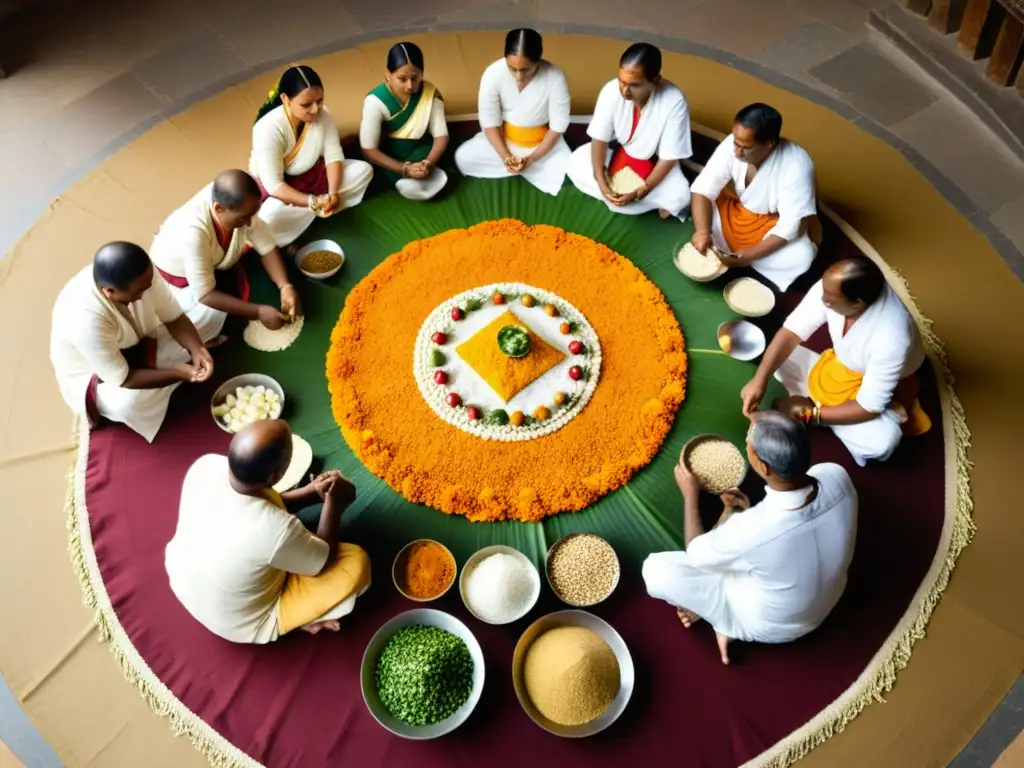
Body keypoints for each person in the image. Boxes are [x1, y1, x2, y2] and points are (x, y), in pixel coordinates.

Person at [643, 412, 858, 665]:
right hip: (830, 596)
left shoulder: (752, 529)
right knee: (758, 558)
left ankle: (729, 625)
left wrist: (690, 495)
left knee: (655, 570)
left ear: (763, 466)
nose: (746, 441)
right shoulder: (836, 475)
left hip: (773, 625)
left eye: (748, 440)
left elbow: (696, 555)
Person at [165, 420, 371, 644]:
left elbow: (262, 501)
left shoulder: (205, 466)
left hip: (183, 579)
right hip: (238, 621)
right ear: (276, 476)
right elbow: (323, 559)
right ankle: (307, 620)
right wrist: (334, 506)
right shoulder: (274, 530)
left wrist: (312, 493)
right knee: (356, 564)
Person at [740, 256, 930, 466]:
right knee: (768, 354)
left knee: (882, 443)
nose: (821, 297)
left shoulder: (891, 337)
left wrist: (808, 415)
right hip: (836, 365)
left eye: (829, 297)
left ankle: (894, 403)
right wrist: (760, 380)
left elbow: (869, 407)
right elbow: (791, 332)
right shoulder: (831, 288)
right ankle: (826, 408)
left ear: (856, 303)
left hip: (864, 387)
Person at [49, 242, 214, 442]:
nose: (148, 293)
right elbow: (124, 378)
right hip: (101, 375)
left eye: (149, 285)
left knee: (210, 313)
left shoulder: (143, 277)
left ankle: (166, 373)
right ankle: (170, 374)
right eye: (139, 292)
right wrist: (179, 373)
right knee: (128, 405)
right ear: (110, 292)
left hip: (141, 341)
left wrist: (197, 350)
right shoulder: (85, 320)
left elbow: (173, 316)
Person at [149, 170, 301, 342]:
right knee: (207, 316)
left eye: (254, 213)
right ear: (218, 209)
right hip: (176, 277)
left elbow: (266, 245)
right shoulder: (194, 233)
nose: (251, 221)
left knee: (273, 226)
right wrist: (257, 312)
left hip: (208, 259)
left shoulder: (238, 204)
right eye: (244, 218)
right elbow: (205, 294)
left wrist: (285, 286)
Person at [690, 103, 817, 291]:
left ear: (769, 143)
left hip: (770, 225)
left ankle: (742, 257)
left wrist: (748, 256)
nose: (737, 152)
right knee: (700, 205)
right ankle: (725, 247)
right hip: (736, 213)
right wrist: (703, 231)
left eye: (745, 148)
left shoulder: (797, 165)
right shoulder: (733, 145)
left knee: (801, 256)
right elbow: (704, 187)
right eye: (735, 143)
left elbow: (791, 225)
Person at [250, 65, 373, 248]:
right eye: (306, 104)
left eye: (320, 101)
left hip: (313, 177)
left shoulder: (323, 115)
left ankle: (315, 214)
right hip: (281, 191)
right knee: (270, 217)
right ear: (285, 99)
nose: (315, 109)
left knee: (363, 171)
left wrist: (333, 193)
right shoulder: (268, 128)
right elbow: (275, 186)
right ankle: (312, 215)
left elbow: (333, 156)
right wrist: (312, 202)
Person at [567, 43, 692, 219]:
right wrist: (602, 182)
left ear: (655, 80)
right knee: (576, 160)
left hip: (654, 168)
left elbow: (668, 158)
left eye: (634, 85)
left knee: (680, 196)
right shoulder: (611, 90)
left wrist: (641, 190)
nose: (625, 90)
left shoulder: (674, 101)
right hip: (619, 160)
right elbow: (599, 139)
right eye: (622, 81)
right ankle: (636, 203)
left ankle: (643, 202)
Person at [454, 28, 572, 196]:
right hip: (504, 142)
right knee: (462, 157)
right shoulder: (493, 73)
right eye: (512, 69)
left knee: (570, 170)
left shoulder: (555, 77)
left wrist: (532, 159)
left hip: (543, 147)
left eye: (525, 70)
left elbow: (558, 126)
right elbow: (489, 121)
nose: (518, 76)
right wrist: (506, 157)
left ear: (538, 61)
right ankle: (515, 169)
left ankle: (527, 169)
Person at [360, 42, 450, 201]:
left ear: (422, 73)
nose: (410, 86)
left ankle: (425, 178)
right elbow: (369, 150)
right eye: (402, 79)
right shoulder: (375, 101)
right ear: (387, 75)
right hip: (391, 160)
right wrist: (404, 168)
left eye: (415, 78)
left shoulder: (429, 94)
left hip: (423, 153)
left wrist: (428, 163)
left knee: (425, 180)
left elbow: (441, 137)